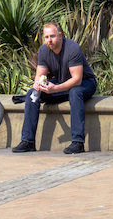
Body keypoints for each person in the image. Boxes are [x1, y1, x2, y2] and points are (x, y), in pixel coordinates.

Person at [11, 20, 96, 155]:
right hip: (62, 83)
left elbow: (77, 79)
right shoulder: (44, 50)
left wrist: (55, 89)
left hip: (85, 83)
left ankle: (78, 142)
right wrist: (38, 85)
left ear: (60, 35)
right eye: (46, 37)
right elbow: (40, 76)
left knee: (74, 93)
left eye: (52, 36)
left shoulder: (72, 48)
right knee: (32, 94)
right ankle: (28, 141)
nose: (49, 40)